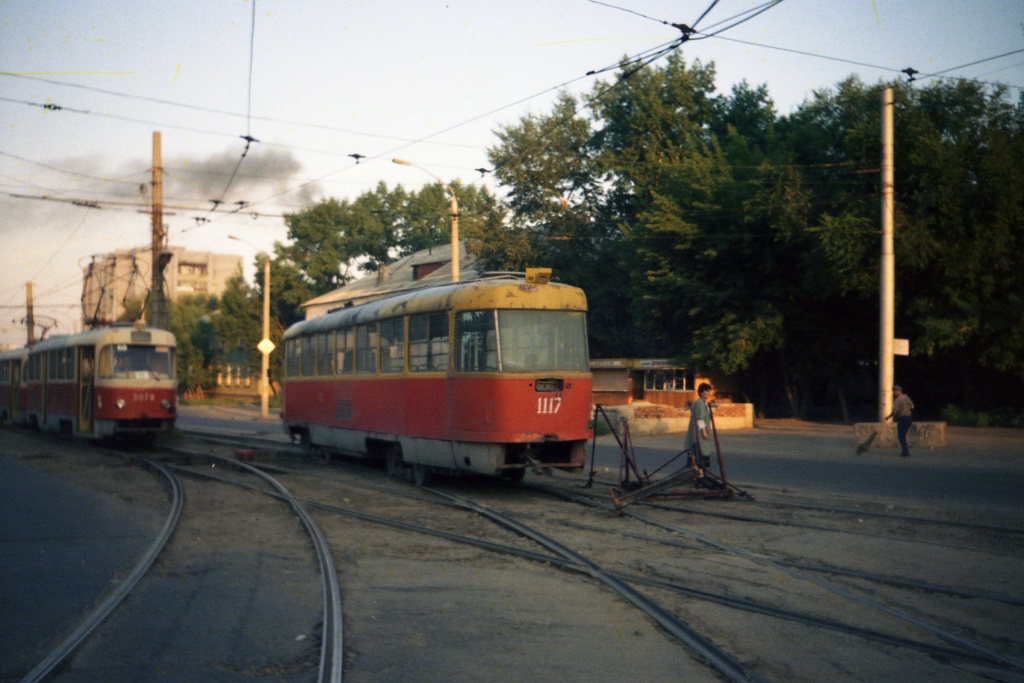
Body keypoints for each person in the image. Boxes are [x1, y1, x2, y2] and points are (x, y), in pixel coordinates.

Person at [684, 382, 715, 467]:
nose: (709, 393)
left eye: (709, 391)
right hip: (699, 434)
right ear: (701, 392)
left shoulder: (703, 403)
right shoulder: (699, 403)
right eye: (707, 391)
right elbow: (699, 419)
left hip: (700, 435)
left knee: (698, 453)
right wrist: (704, 433)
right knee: (700, 454)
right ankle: (697, 472)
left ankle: (698, 472)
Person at [886, 385, 915, 457]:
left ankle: (905, 452)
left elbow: (894, 411)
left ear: (897, 391)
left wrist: (888, 417)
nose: (893, 393)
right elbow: (912, 407)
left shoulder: (897, 399)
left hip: (902, 418)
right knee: (903, 435)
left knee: (901, 436)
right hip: (909, 418)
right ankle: (905, 451)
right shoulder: (907, 397)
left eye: (894, 391)